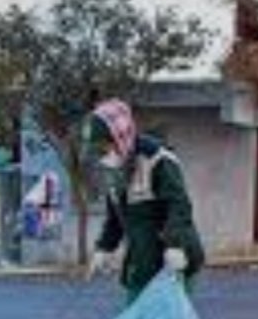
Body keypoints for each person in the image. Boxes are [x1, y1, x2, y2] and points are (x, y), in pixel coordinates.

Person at [86, 99, 205, 304]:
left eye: (106, 144)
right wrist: (104, 248)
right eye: (99, 147)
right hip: (142, 262)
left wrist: (175, 245)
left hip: (174, 260)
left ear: (119, 136)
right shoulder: (114, 170)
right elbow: (115, 217)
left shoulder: (158, 160)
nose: (104, 152)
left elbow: (179, 206)